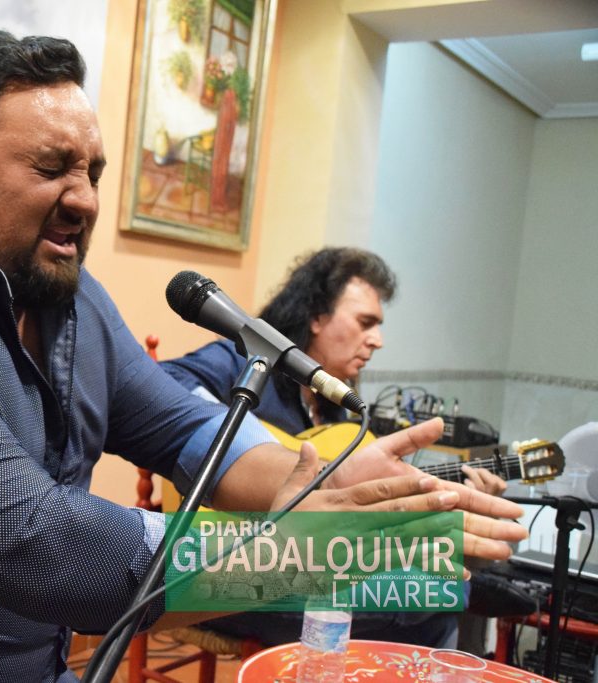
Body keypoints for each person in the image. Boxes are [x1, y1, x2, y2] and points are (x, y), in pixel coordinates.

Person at [0, 33, 524, 682]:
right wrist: (301, 550)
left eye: (94, 172)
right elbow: (36, 543)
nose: (84, 198)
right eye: (52, 167)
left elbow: (190, 432)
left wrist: (310, 480)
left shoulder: (68, 301)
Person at [161, 247, 506, 648]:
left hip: (307, 560)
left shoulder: (337, 410)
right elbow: (166, 385)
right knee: (440, 595)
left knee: (441, 583)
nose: (377, 340)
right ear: (316, 316)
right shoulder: (245, 360)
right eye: (365, 323)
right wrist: (265, 461)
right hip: (227, 563)